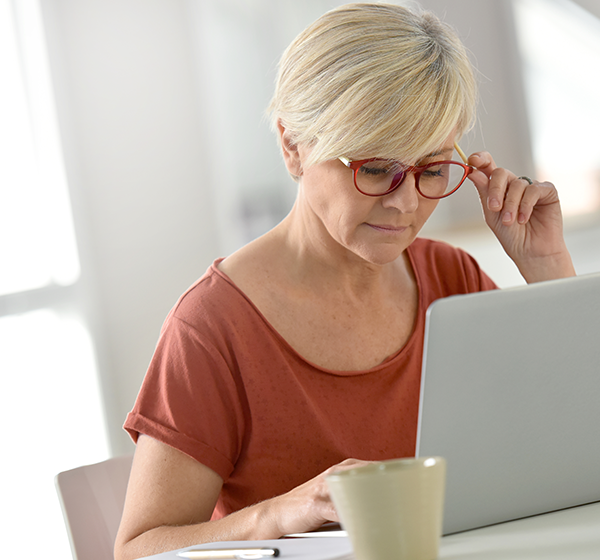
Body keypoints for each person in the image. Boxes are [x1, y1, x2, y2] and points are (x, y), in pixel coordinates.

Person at [114, 3, 576, 559]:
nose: (405, 203)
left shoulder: (450, 279)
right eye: (376, 169)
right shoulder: (212, 330)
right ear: (292, 145)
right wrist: (277, 515)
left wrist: (547, 269)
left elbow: (577, 453)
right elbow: (138, 550)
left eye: (431, 170)